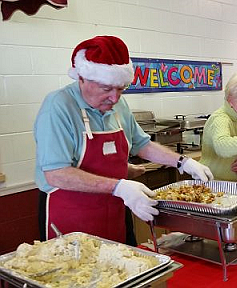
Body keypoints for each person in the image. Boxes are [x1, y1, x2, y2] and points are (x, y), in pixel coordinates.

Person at [34, 35, 213, 245]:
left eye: (121, 89)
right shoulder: (58, 106)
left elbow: (142, 144)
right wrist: (119, 186)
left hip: (114, 210)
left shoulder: (118, 105)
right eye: (106, 89)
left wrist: (182, 162)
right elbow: (57, 174)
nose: (115, 98)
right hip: (71, 215)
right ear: (82, 77)